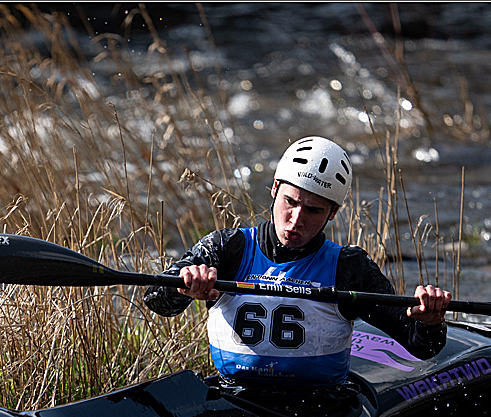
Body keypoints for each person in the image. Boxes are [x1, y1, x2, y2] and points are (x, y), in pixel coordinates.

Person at [144, 135, 451, 387]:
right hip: (236, 398)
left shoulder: (349, 267)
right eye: (290, 202)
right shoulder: (227, 247)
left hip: (321, 408)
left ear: (332, 213)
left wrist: (430, 320)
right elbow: (156, 299)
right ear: (274, 190)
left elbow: (420, 345)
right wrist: (184, 287)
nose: (295, 220)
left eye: (314, 210)